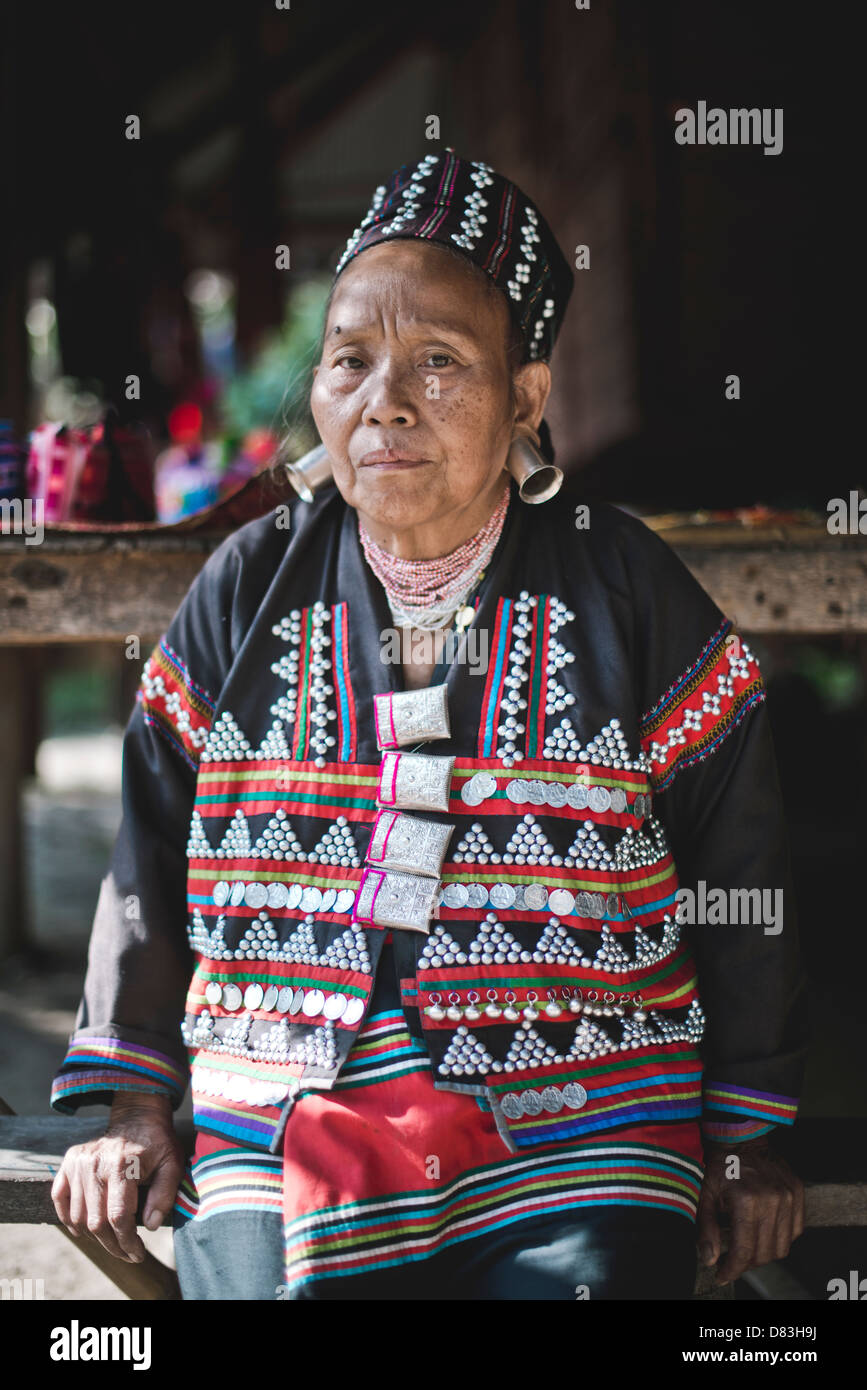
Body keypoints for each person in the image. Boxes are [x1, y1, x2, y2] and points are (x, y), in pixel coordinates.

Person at [49, 149, 807, 1300]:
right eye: (350, 359)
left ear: (526, 400)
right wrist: (138, 1104)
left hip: (586, 1108)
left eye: (440, 363)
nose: (384, 401)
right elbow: (149, 849)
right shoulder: (248, 585)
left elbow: (741, 858)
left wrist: (744, 1135)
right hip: (288, 1090)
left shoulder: (626, 588)